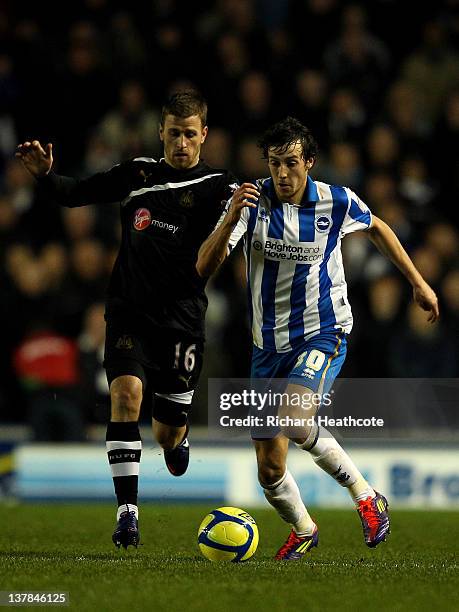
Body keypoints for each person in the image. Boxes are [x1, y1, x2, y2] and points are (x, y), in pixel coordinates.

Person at [197, 116, 439, 560]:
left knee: (294, 417)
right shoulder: (250, 202)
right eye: (275, 165)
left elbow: (380, 228)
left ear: (309, 162)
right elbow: (204, 266)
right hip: (266, 346)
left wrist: (418, 283)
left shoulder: (337, 201)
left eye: (291, 163)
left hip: (322, 332)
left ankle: (367, 496)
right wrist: (231, 214)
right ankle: (304, 529)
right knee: (270, 470)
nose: (283, 174)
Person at [16, 91, 237, 550]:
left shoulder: (221, 188)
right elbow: (77, 193)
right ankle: (127, 515)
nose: (181, 143)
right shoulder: (139, 174)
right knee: (126, 395)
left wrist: (234, 216)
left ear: (204, 136)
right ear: (161, 132)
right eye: (173, 133)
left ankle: (177, 442)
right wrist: (45, 176)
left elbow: (207, 265)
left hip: (181, 322)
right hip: (128, 313)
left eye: (190, 134)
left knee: (167, 430)